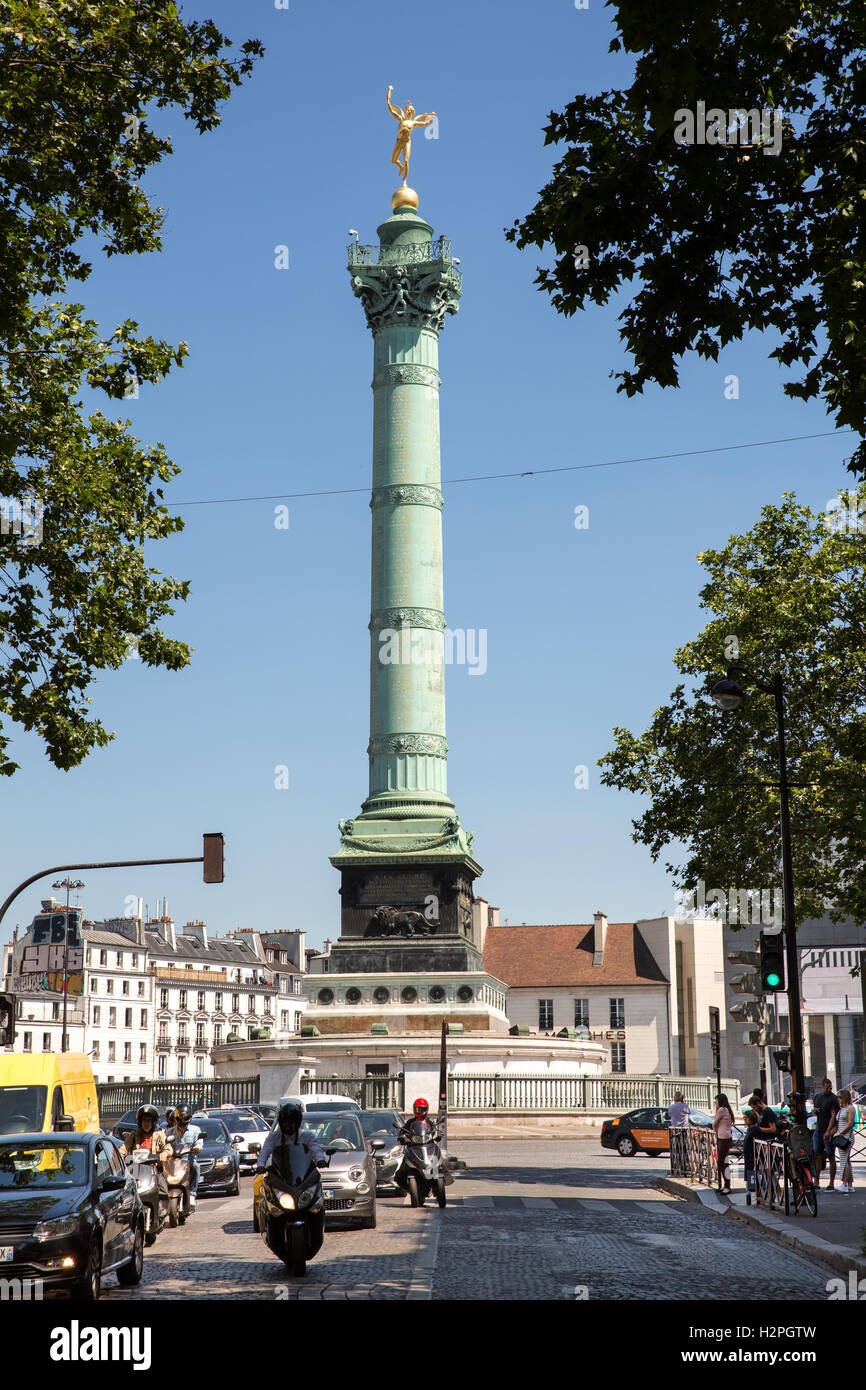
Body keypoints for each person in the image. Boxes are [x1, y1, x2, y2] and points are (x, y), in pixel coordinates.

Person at [256, 1101, 326, 1172]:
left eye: (291, 1122)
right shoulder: (274, 1137)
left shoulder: (307, 1136)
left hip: (303, 1173)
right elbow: (265, 1151)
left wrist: (320, 1160)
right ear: (280, 1122)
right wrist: (260, 1165)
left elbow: (315, 1148)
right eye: (285, 1122)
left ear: (297, 1122)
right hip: (280, 1174)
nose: (287, 1125)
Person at [121, 1104, 169, 1199]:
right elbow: (123, 1149)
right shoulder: (134, 1135)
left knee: (163, 1191)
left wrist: (164, 1153)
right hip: (136, 1169)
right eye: (144, 1120)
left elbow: (168, 1147)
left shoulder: (159, 1134)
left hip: (154, 1169)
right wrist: (117, 1158)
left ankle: (161, 1212)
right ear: (140, 1122)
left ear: (153, 1122)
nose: (146, 1123)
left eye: (149, 1121)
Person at [163, 1103, 203, 1209]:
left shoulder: (195, 1130)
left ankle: (192, 1194)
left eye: (185, 1118)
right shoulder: (169, 1131)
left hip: (188, 1159)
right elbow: (164, 1144)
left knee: (196, 1166)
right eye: (180, 1118)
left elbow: (199, 1143)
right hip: (173, 1160)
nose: (182, 1120)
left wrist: (197, 1148)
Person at [812, 1078, 840, 1191]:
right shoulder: (817, 1097)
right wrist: (815, 1111)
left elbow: (834, 1116)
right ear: (822, 1087)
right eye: (827, 1088)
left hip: (827, 1130)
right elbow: (815, 1109)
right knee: (817, 1155)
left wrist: (829, 1131)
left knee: (830, 1155)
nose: (829, 1090)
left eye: (830, 1088)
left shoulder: (833, 1098)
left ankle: (831, 1183)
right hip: (819, 1129)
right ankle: (816, 1181)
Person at [833, 1088, 856, 1193]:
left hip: (847, 1137)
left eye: (840, 1097)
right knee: (846, 1160)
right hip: (841, 1136)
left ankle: (844, 1184)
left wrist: (840, 1132)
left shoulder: (850, 1108)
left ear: (844, 1097)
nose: (838, 1099)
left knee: (844, 1160)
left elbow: (850, 1123)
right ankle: (850, 1185)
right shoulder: (842, 1108)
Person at [713, 1093, 735, 1194]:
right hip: (726, 1137)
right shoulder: (727, 1109)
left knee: (722, 1162)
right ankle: (726, 1185)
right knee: (723, 1162)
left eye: (716, 1101)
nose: (715, 1103)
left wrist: (715, 1128)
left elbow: (715, 1123)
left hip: (723, 1138)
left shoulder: (721, 1109)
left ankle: (727, 1186)